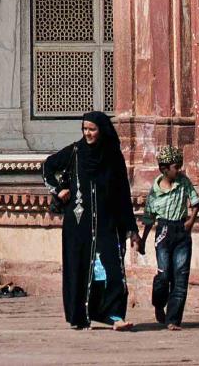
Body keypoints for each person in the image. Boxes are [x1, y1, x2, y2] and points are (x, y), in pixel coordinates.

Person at [43, 111, 134, 330]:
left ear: (102, 130)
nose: (88, 134)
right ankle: (79, 316)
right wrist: (59, 189)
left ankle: (113, 316)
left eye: (92, 129)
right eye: (85, 129)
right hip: (78, 224)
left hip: (108, 224)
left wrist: (131, 228)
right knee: (80, 268)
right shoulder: (75, 152)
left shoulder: (113, 156)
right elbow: (47, 167)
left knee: (112, 269)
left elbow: (123, 193)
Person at [137, 143, 199, 329]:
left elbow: (196, 202)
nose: (178, 170)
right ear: (164, 169)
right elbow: (149, 218)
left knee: (180, 277)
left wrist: (190, 221)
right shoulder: (155, 192)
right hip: (163, 232)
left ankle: (173, 320)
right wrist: (143, 240)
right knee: (164, 275)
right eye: (175, 167)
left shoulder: (184, 182)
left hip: (181, 231)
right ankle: (159, 303)